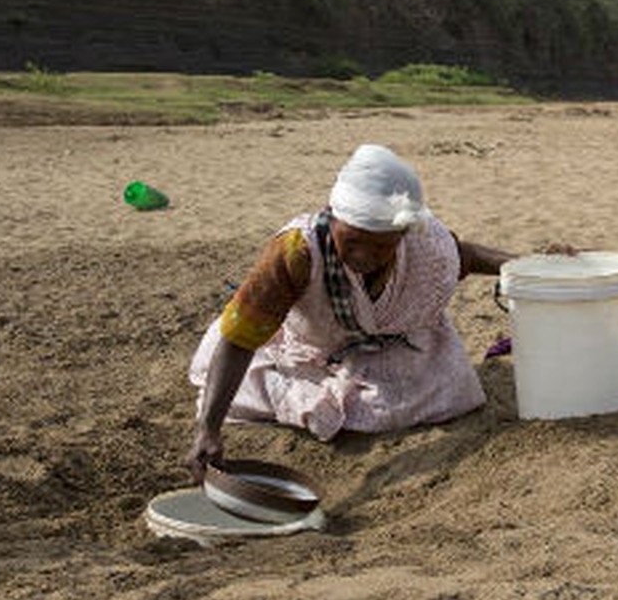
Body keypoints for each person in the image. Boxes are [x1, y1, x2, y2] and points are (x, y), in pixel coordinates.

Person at [185, 144, 517, 482]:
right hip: (310, 348)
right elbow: (242, 336)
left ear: (401, 236)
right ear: (333, 217)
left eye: (382, 245)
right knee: (247, 389)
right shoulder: (298, 250)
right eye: (354, 240)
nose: (366, 255)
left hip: (387, 349)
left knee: (447, 390)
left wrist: (523, 265)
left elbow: (466, 256)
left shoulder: (422, 243)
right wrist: (208, 430)